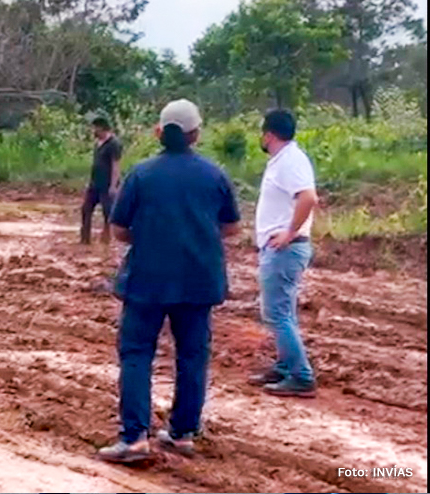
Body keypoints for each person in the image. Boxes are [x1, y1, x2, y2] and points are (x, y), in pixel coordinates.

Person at [97, 99, 241, 463]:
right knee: (193, 356)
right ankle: (182, 433)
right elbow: (232, 227)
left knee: (136, 354)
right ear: (196, 134)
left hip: (148, 279)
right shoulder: (215, 174)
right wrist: (196, 236)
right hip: (198, 280)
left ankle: (134, 438)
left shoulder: (142, 175)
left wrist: (150, 236)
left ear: (159, 132)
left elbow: (118, 229)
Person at [249, 109, 318, 398]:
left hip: (286, 249)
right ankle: (285, 365)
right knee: (283, 311)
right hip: (283, 248)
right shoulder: (284, 160)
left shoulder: (290, 161)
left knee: (275, 312)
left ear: (269, 134)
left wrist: (289, 232)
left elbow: (309, 198)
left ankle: (301, 375)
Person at [81, 116, 122, 245]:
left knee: (107, 212)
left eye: (95, 128)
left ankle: (107, 237)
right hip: (95, 183)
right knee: (86, 209)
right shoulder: (98, 144)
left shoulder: (114, 144)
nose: (93, 131)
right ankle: (85, 239)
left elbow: (116, 165)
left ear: (101, 128)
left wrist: (113, 186)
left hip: (106, 184)